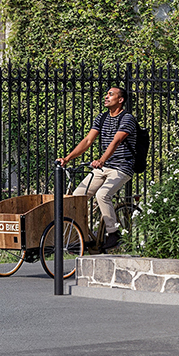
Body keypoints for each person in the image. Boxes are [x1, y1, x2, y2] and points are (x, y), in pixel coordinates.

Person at [60, 87, 140, 251]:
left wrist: (102, 160)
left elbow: (116, 141)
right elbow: (88, 140)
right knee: (77, 196)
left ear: (120, 99)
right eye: (106, 94)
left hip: (122, 167)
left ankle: (113, 234)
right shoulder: (102, 118)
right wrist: (67, 158)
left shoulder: (127, 119)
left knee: (102, 195)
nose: (106, 96)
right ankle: (82, 237)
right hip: (104, 167)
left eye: (111, 94)